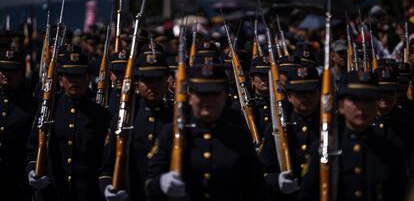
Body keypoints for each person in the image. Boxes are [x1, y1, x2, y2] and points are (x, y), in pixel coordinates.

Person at [145, 62, 265, 200]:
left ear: (225, 96)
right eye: (201, 94)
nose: (208, 100)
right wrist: (160, 183)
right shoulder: (172, 132)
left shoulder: (239, 136)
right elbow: (149, 184)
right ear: (190, 97)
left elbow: (255, 188)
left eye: (214, 94)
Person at [300, 71, 407, 201]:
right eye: (355, 100)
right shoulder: (324, 149)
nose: (362, 107)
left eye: (369, 100)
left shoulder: (390, 152)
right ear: (341, 105)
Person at [26, 45, 110, 201]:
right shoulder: (50, 107)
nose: (75, 81)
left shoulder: (101, 115)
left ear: (88, 79)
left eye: (79, 76)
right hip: (51, 192)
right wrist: (32, 170)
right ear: (60, 80)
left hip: (86, 194)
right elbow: (32, 148)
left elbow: (104, 159)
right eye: (70, 76)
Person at [100, 47, 172, 201]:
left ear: (166, 82)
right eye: (147, 80)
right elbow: (106, 168)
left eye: (158, 80)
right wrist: (108, 188)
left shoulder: (176, 117)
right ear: (137, 83)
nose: (153, 86)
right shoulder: (125, 117)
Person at [260, 66, 320, 200]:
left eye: (310, 92)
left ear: (318, 93)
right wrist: (276, 180)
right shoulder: (276, 129)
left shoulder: (331, 128)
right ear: (289, 96)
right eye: (299, 93)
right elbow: (260, 174)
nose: (306, 97)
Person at [0, 49, 38, 201]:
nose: (6, 75)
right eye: (3, 70)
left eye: (12, 71)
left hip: (17, 182)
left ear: (22, 75)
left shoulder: (31, 105)